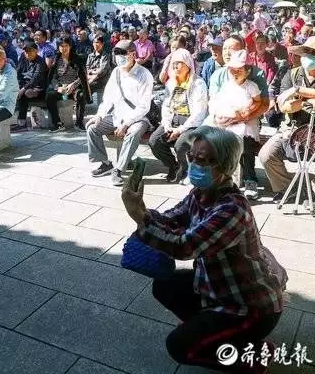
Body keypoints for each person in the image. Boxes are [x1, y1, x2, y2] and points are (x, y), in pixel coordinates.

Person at [121, 126, 285, 372]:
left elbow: (185, 247)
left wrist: (141, 220)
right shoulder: (200, 194)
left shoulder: (232, 209)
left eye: (204, 160)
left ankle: (256, 356)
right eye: (192, 157)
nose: (195, 164)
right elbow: (172, 218)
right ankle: (212, 333)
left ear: (226, 166)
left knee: (179, 347)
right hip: (216, 290)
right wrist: (143, 211)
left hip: (248, 308)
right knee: (165, 284)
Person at [259, 35, 315, 208]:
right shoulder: (290, 74)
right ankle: (286, 188)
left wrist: (297, 90)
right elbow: (285, 106)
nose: (308, 55)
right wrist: (308, 101)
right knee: (266, 155)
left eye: (314, 53)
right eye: (306, 51)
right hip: (291, 129)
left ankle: (314, 191)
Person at [208, 36, 270, 199]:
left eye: (233, 48)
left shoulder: (255, 75)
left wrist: (244, 115)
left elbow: (263, 103)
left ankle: (250, 178)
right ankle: (219, 177)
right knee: (210, 139)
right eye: (225, 48)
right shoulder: (219, 75)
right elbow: (213, 101)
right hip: (222, 119)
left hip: (247, 119)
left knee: (246, 142)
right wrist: (217, 117)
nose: (228, 52)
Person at [86, 40, 153, 186]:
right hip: (117, 117)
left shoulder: (144, 74)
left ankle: (119, 169)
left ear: (132, 54)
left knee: (132, 133)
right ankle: (105, 163)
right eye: (116, 53)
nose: (118, 56)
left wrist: (126, 123)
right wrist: (100, 114)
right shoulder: (116, 72)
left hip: (138, 119)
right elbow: (108, 98)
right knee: (92, 128)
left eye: (122, 53)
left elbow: (144, 106)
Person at [149, 54, 208, 183]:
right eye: (174, 64)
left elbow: (199, 113)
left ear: (188, 65)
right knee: (155, 141)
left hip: (191, 122)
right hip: (172, 119)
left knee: (180, 144)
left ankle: (186, 170)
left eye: (179, 63)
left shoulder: (198, 83)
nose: (175, 66)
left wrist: (180, 130)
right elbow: (166, 105)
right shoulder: (171, 82)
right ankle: (173, 165)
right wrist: (167, 124)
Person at [45, 37, 90, 132]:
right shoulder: (56, 59)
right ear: (58, 47)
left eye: (66, 45)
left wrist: (73, 85)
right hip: (61, 87)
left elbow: (83, 76)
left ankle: (79, 122)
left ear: (70, 46)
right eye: (61, 46)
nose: (64, 48)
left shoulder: (77, 58)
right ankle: (57, 123)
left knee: (81, 95)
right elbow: (53, 77)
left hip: (74, 87)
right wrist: (58, 87)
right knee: (49, 96)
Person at [12, 40, 48, 131]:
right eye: (26, 51)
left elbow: (36, 78)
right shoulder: (23, 59)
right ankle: (19, 122)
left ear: (36, 51)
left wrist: (23, 89)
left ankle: (22, 124)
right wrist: (19, 87)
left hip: (38, 89)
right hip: (24, 86)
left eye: (30, 51)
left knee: (25, 93)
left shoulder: (40, 62)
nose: (27, 53)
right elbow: (18, 74)